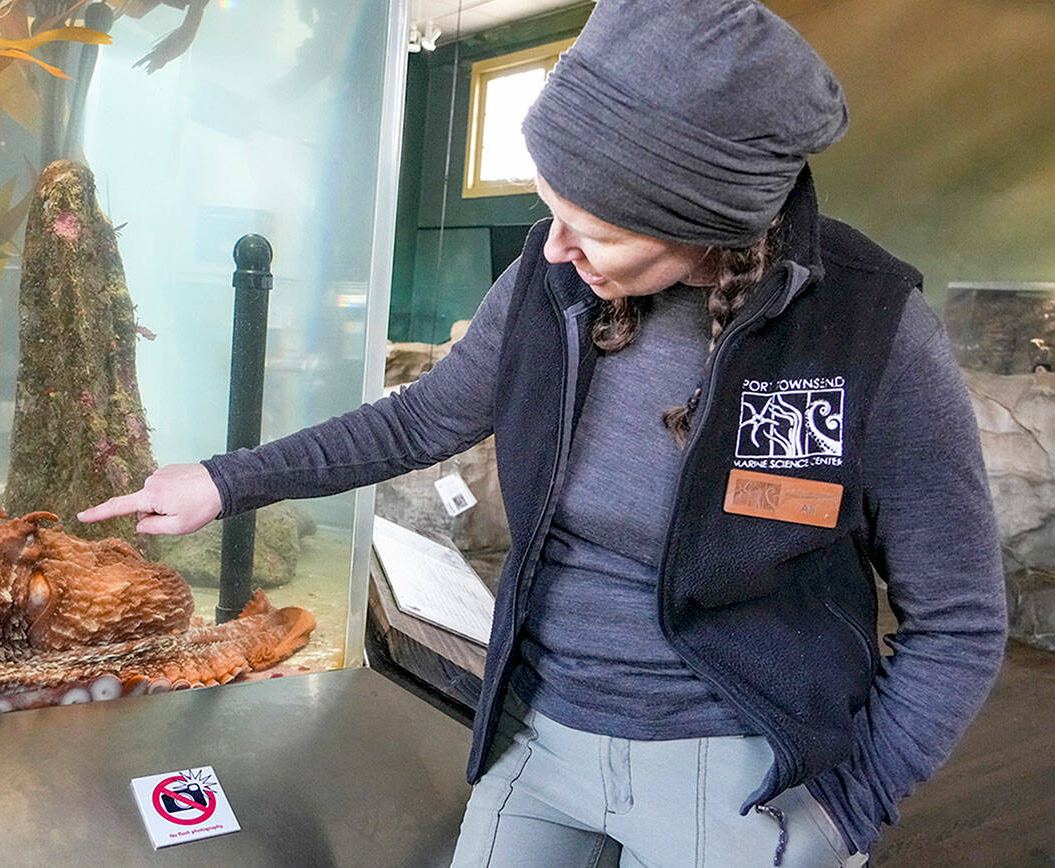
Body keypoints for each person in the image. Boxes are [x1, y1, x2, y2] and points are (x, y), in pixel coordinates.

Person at [78, 2, 1008, 865]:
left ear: (704, 223)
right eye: (548, 208)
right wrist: (229, 479)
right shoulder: (551, 277)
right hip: (540, 730)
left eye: (589, 231)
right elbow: (424, 414)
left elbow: (959, 623)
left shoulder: (868, 326)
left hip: (736, 760)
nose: (552, 248)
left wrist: (848, 810)